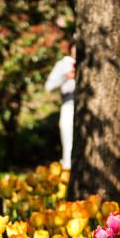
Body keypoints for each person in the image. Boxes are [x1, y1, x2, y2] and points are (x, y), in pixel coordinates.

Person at [45, 42, 76, 170]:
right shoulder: (63, 64)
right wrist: (65, 77)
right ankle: (68, 169)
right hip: (69, 105)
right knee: (68, 141)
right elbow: (49, 86)